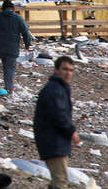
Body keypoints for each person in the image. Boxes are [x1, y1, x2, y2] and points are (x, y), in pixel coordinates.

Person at [33, 56, 80, 189]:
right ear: (56, 70)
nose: (68, 73)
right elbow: (58, 114)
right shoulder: (54, 89)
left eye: (71, 70)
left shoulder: (59, 87)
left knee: (57, 182)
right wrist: (72, 132)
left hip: (56, 141)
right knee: (61, 182)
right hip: (53, 142)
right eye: (64, 69)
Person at [0, 0, 32, 93]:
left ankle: (7, 86)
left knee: (6, 67)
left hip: (1, 48)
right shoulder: (18, 18)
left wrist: (2, 13)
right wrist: (27, 44)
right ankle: (9, 87)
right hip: (13, 49)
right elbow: (26, 33)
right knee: (10, 68)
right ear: (13, 8)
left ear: (3, 8)